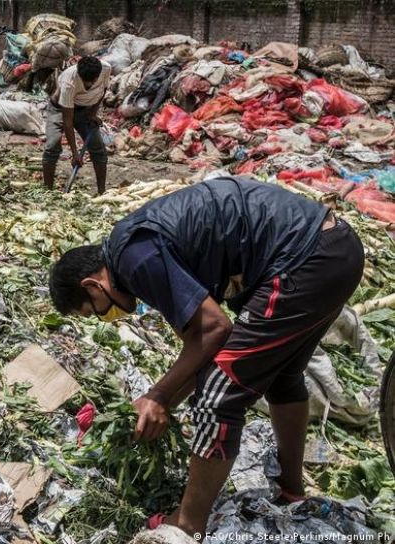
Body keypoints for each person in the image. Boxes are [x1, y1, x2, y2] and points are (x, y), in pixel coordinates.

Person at [48, 176, 364, 539]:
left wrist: (159, 395)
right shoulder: (133, 248)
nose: (107, 317)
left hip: (306, 258)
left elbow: (215, 330)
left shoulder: (133, 258)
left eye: (95, 311)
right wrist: (161, 404)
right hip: (336, 249)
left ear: (92, 285)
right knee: (281, 376)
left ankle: (187, 523)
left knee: (218, 396)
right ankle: (291, 491)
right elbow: (202, 347)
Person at [42, 55, 111, 193]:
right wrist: (75, 154)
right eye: (85, 82)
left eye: (92, 82)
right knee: (52, 146)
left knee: (98, 149)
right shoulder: (69, 81)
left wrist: (92, 113)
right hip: (60, 109)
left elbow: (102, 91)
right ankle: (47, 191)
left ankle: (102, 192)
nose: (88, 85)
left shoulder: (106, 69)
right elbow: (68, 122)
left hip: (85, 109)